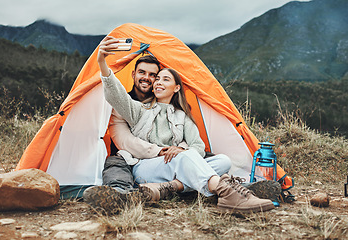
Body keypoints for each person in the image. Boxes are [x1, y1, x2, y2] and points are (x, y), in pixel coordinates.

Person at [85, 35, 275, 213]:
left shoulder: (182, 116)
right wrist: (102, 62)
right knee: (185, 159)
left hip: (174, 167)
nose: (156, 82)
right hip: (146, 166)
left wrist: (182, 150)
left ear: (176, 88)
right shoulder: (138, 109)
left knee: (223, 160)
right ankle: (227, 193)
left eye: (162, 78)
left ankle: (168, 188)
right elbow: (115, 93)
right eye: (156, 79)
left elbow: (198, 146)